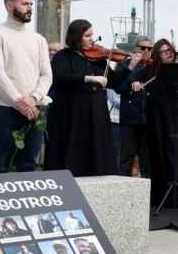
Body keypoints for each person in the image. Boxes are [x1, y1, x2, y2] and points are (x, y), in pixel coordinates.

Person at [0, 0, 52, 173]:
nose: (29, 8)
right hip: (3, 111)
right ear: (9, 5)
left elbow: (46, 75)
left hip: (34, 109)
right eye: (24, 4)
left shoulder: (38, 39)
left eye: (31, 4)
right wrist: (20, 101)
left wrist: (34, 98)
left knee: (29, 165)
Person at [44, 20, 122, 177]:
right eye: (87, 35)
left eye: (92, 35)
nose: (91, 39)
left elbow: (116, 82)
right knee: (72, 148)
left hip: (96, 112)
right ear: (76, 37)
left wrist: (130, 66)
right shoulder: (63, 56)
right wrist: (88, 78)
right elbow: (60, 77)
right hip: (72, 111)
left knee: (96, 149)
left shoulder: (99, 59)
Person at [131, 39, 178, 208]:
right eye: (162, 52)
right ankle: (163, 195)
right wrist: (136, 82)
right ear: (156, 55)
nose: (166, 54)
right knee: (162, 152)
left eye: (169, 50)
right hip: (159, 117)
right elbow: (128, 83)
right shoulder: (149, 70)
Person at [115, 37, 153, 177]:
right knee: (126, 157)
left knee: (147, 159)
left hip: (148, 117)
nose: (146, 51)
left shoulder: (153, 66)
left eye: (150, 49)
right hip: (129, 117)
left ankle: (149, 194)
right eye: (143, 48)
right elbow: (118, 87)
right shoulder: (124, 64)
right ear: (135, 48)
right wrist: (132, 70)